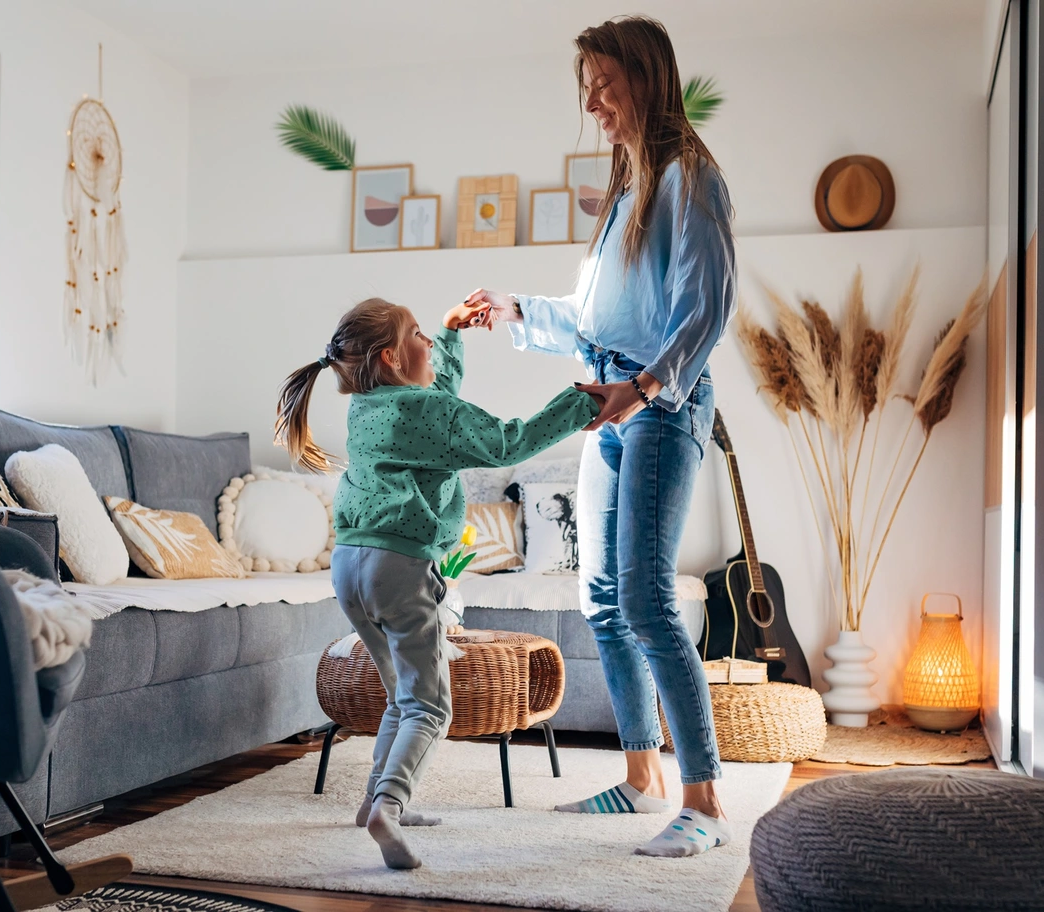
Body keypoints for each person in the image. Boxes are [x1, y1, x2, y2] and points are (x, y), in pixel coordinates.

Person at [463, 15, 737, 859]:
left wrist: (647, 387)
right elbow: (593, 322)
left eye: (605, 83)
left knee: (649, 598)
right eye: (586, 85)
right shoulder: (627, 191)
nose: (591, 101)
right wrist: (517, 310)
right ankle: (640, 775)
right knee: (604, 602)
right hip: (609, 406)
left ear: (647, 79)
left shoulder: (689, 176)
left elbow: (708, 305)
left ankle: (705, 802)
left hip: (655, 407)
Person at [274, 297, 600, 869]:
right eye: (421, 334)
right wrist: (582, 403)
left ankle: (376, 798)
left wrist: (449, 335)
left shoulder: (370, 407)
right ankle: (388, 808)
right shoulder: (423, 412)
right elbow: (505, 443)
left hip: (349, 565)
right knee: (430, 706)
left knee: (403, 695)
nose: (429, 341)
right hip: (397, 567)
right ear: (394, 356)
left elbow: (436, 403)